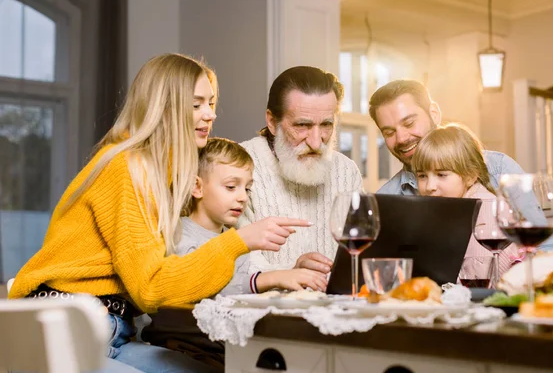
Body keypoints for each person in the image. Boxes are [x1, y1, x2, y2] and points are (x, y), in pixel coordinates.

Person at [8, 53, 310, 373]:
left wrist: (274, 272)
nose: (210, 114)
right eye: (196, 105)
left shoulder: (161, 176)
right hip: (63, 332)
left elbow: (172, 275)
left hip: (112, 331)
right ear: (164, 108)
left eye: (210, 103)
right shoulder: (128, 167)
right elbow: (151, 288)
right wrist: (240, 241)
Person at [142, 138, 328, 370]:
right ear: (197, 187)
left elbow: (238, 295)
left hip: (225, 350)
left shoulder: (234, 239)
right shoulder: (178, 236)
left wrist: (289, 279)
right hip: (182, 347)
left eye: (247, 188)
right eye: (231, 187)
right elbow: (203, 293)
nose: (242, 196)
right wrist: (270, 278)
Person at [368, 79, 553, 252]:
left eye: (409, 123)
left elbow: (547, 249)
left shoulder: (498, 169)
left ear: (433, 114)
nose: (401, 138)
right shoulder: (384, 199)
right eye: (389, 132)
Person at [237, 66, 363, 275]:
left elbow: (358, 255)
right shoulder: (238, 165)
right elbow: (232, 261)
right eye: (302, 125)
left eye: (326, 125)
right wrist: (291, 272)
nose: (316, 142)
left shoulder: (346, 171)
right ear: (272, 122)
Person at [411, 124, 520, 278]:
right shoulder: (441, 208)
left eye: (441, 174)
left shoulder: (488, 213)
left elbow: (477, 282)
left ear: (470, 176)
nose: (430, 186)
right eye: (422, 176)